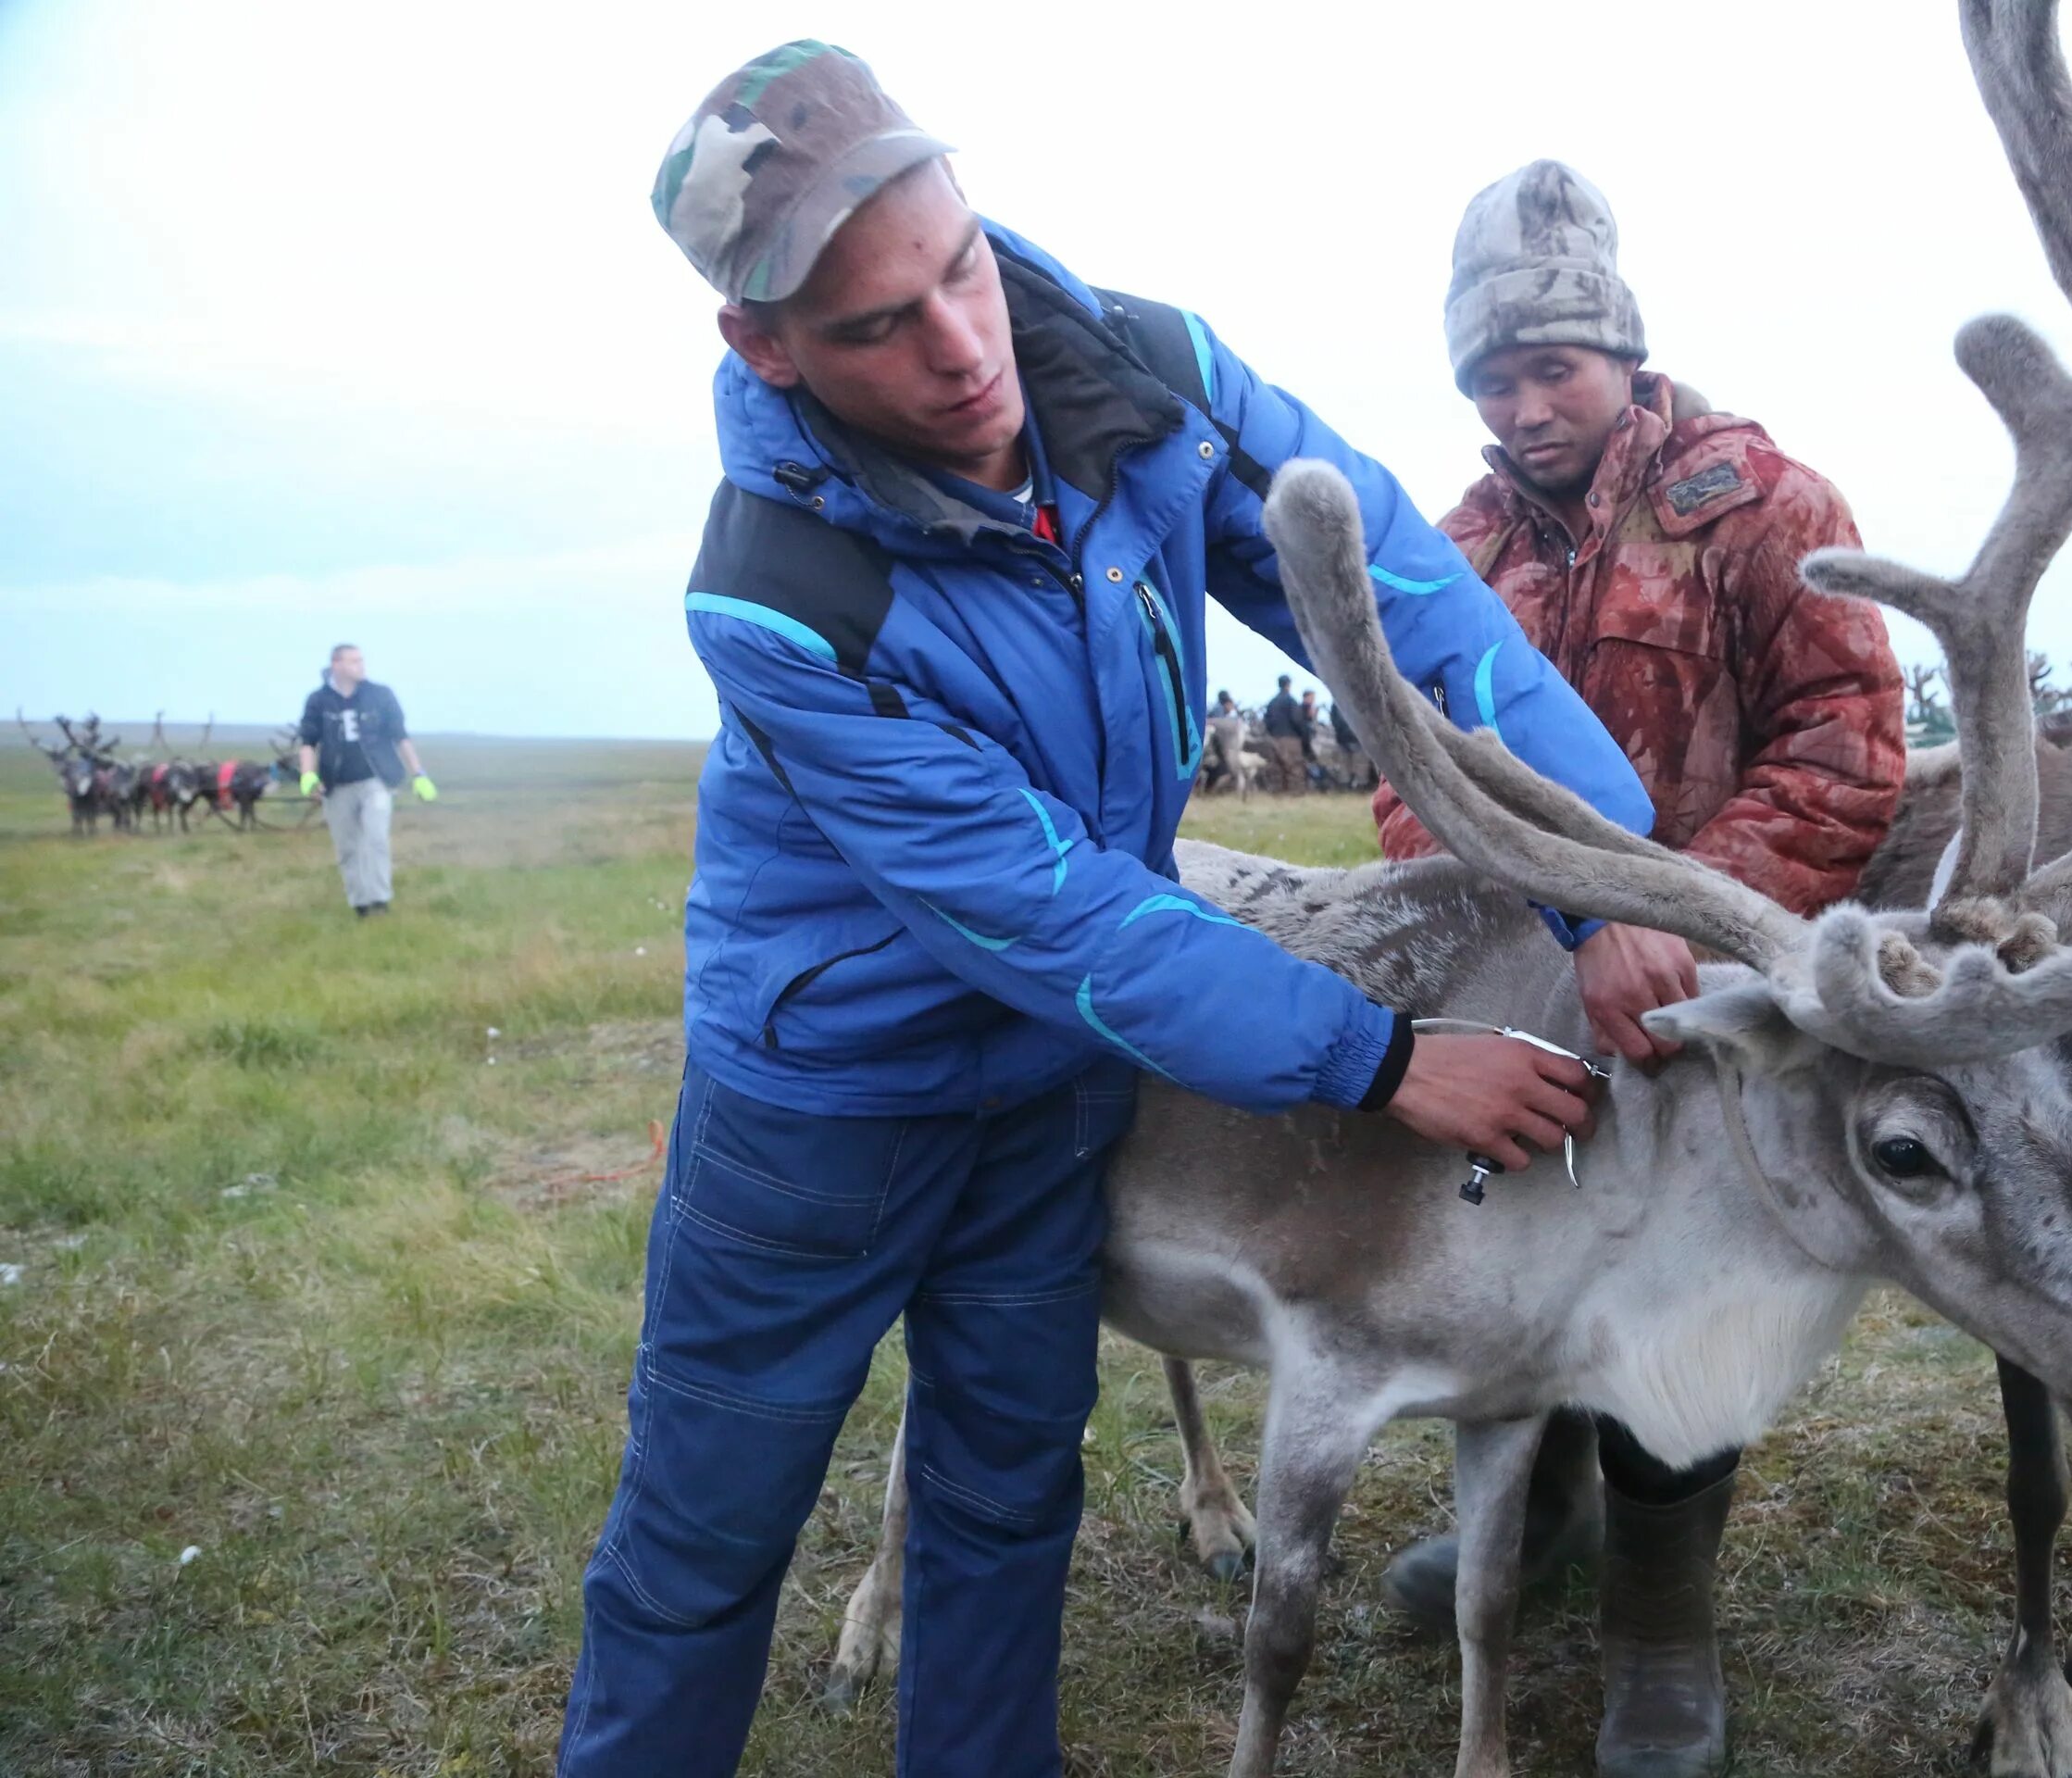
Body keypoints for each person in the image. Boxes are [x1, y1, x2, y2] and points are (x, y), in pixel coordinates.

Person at [564, 46, 1680, 1778]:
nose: (960, 349)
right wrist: (1383, 1054)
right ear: (765, 347)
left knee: (1007, 1502)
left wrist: (1592, 863)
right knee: (711, 1534)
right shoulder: (783, 598)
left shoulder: (1149, 378)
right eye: (876, 328)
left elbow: (1391, 589)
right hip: (825, 1113)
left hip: (1047, 1091)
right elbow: (1052, 913)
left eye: (957, 269)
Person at [1371, 160, 1906, 1777]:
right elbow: (1406, 771)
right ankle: (1530, 1522)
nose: (1524, 405)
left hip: (1718, 1003)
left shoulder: (1767, 503)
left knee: (1685, 1314)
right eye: (1493, 376)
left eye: (1554, 367)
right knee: (1514, 1271)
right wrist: (1535, 929)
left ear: (1623, 353)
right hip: (1521, 991)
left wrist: (1685, 917)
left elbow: (1847, 742)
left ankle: (1663, 1626)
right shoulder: (1443, 546)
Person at [294, 644, 436, 917]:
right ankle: (360, 904)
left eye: (361, 660)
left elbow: (400, 736)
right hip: (336, 785)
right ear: (336, 665)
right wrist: (308, 774)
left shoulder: (380, 695)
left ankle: (380, 902)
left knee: (375, 839)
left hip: (376, 780)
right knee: (348, 847)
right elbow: (308, 741)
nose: (361, 665)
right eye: (353, 661)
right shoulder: (318, 700)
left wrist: (419, 773)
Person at [1260, 670, 1308, 792]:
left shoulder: (1272, 702)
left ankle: (1277, 796)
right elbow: (1297, 720)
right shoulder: (1291, 701)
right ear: (1289, 685)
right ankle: (1294, 796)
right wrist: (1304, 736)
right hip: (1291, 739)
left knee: (1276, 769)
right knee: (1294, 768)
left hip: (1274, 739)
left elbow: (1267, 721)